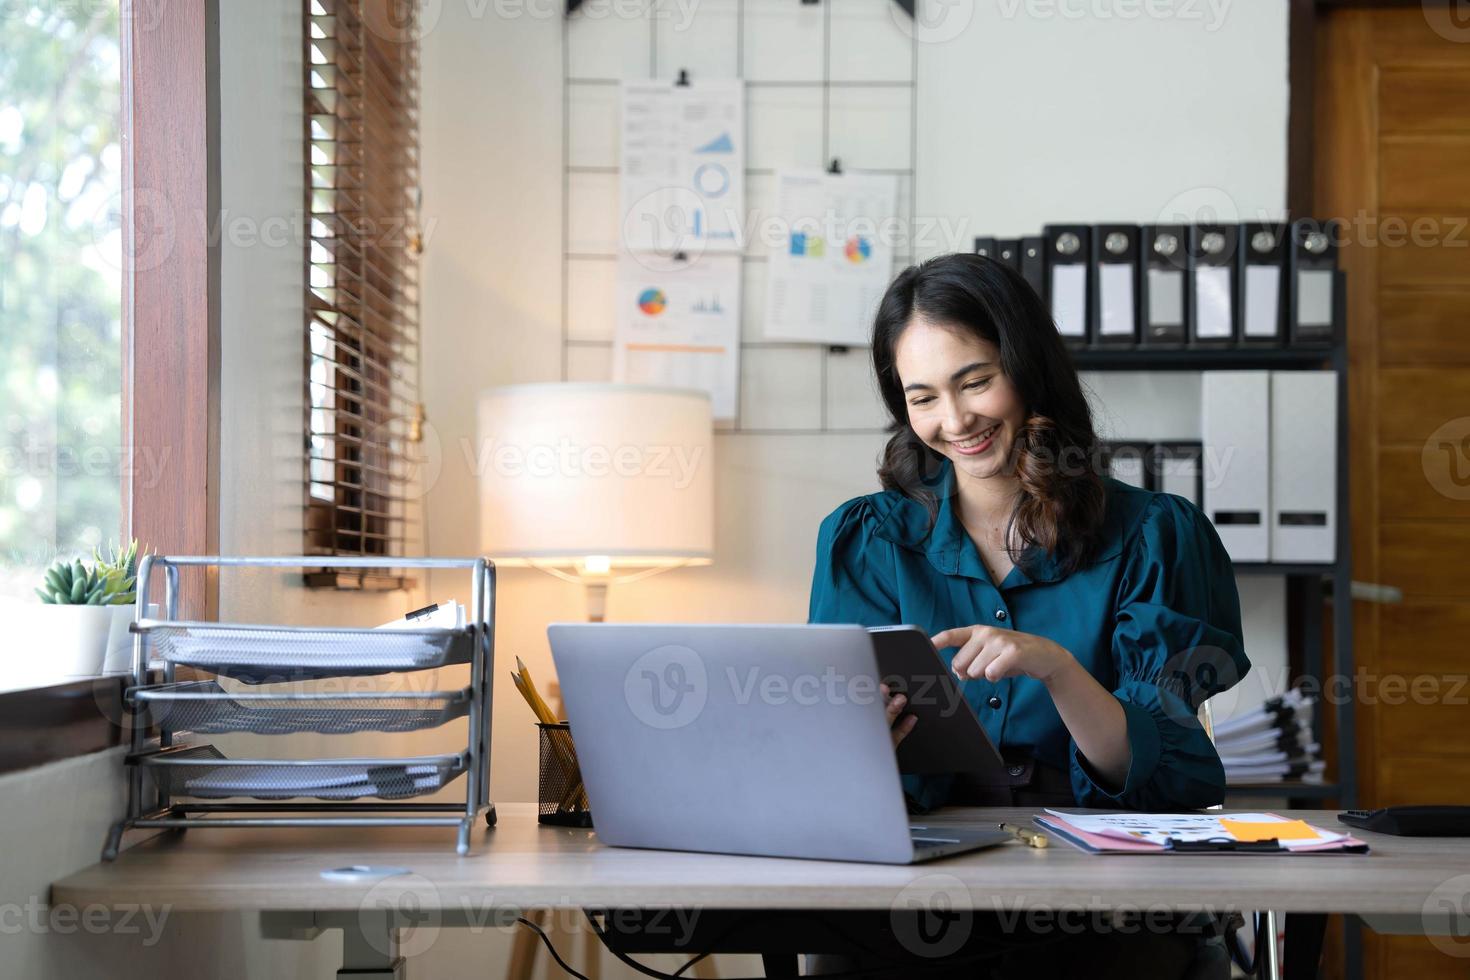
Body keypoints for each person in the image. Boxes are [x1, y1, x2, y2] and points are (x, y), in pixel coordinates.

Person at [804, 251, 1249, 978]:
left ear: (1028, 367)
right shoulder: (868, 539)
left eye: (976, 381)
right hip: (913, 882)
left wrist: (1059, 668)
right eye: (922, 398)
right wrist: (858, 746)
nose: (954, 421)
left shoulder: (1156, 536)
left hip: (1099, 889)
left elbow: (1164, 778)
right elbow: (837, 754)